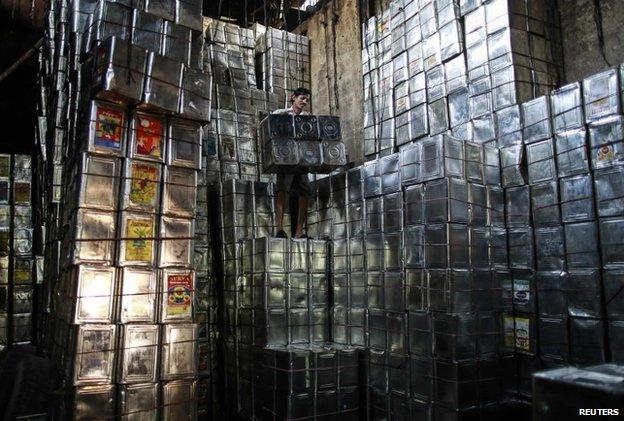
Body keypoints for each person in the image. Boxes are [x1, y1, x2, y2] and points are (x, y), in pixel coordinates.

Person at [272, 87, 312, 239]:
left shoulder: (308, 118)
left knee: (305, 192)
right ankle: (280, 229)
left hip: (302, 158)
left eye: (307, 100)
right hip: (286, 158)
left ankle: (299, 232)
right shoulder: (281, 114)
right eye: (302, 98)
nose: (304, 102)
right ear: (293, 97)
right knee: (282, 191)